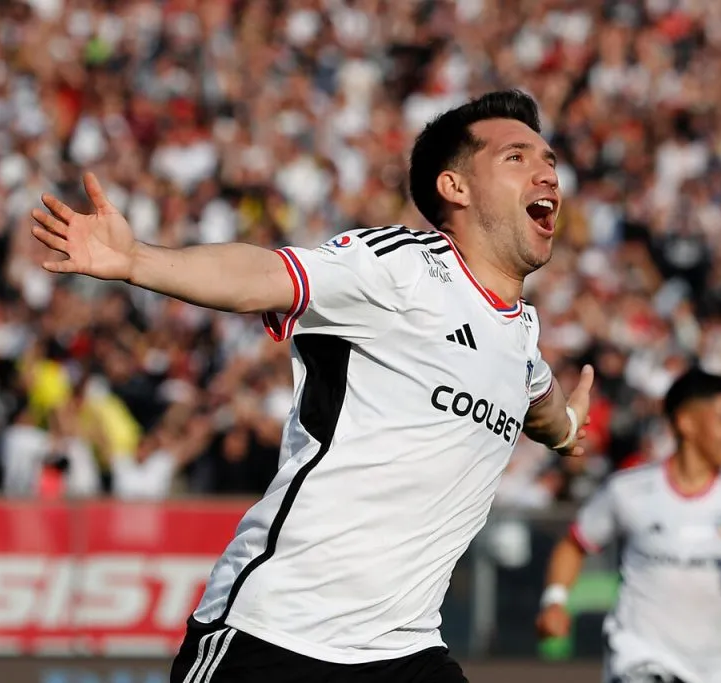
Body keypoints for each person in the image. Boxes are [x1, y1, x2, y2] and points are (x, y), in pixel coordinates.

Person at [31, 90, 594, 683]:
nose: (547, 173)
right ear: (455, 187)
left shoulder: (521, 338)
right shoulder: (399, 269)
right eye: (517, 157)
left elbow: (541, 404)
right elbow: (261, 277)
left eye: (549, 160)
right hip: (277, 635)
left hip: (404, 651)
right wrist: (138, 260)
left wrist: (567, 430)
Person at [536, 368, 721, 683]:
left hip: (709, 673)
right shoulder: (629, 490)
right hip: (636, 662)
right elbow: (574, 543)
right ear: (686, 423)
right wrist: (554, 601)